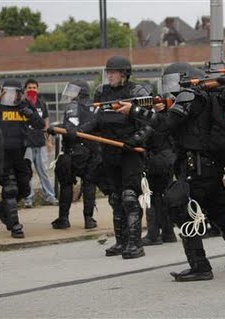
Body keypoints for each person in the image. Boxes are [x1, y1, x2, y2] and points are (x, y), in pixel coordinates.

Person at [118, 62, 225, 281]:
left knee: (179, 207)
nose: (170, 86)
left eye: (172, 80)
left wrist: (135, 111)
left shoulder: (189, 96)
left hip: (197, 167)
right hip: (209, 165)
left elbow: (166, 124)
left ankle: (200, 265)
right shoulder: (205, 97)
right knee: (219, 213)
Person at [72, 55, 151, 259]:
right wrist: (78, 130)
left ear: (124, 73)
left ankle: (135, 244)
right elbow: (97, 121)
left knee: (129, 198)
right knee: (115, 198)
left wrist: (135, 139)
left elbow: (149, 124)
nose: (109, 75)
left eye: (113, 72)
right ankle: (121, 242)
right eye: (108, 72)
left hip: (130, 153)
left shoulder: (136, 92)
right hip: (109, 152)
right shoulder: (103, 92)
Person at [0, 79, 45, 238]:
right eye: (7, 92)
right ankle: (15, 226)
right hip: (2, 155)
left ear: (19, 93)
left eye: (13, 93)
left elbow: (40, 124)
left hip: (20, 155)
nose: (10, 97)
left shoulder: (24, 106)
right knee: (10, 189)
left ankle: (2, 209)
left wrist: (29, 113)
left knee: (25, 189)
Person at [49, 80, 100, 230]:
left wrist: (59, 128)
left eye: (73, 90)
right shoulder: (95, 106)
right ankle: (89, 219)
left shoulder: (73, 106)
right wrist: (57, 128)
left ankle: (64, 219)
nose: (70, 94)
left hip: (74, 151)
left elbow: (71, 129)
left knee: (66, 183)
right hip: (93, 152)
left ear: (80, 91)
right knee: (90, 184)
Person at [141, 103, 177, 245]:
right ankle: (168, 232)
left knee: (153, 196)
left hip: (158, 161)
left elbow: (145, 138)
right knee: (162, 197)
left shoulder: (155, 119)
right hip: (166, 159)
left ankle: (154, 234)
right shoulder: (169, 117)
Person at [23, 79, 58, 208]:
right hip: (27, 143)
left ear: (38, 89)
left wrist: (48, 141)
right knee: (27, 172)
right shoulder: (22, 104)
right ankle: (28, 198)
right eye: (29, 87)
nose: (32, 89)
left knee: (43, 170)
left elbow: (46, 123)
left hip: (40, 143)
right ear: (25, 89)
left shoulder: (42, 104)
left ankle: (50, 196)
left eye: (34, 87)